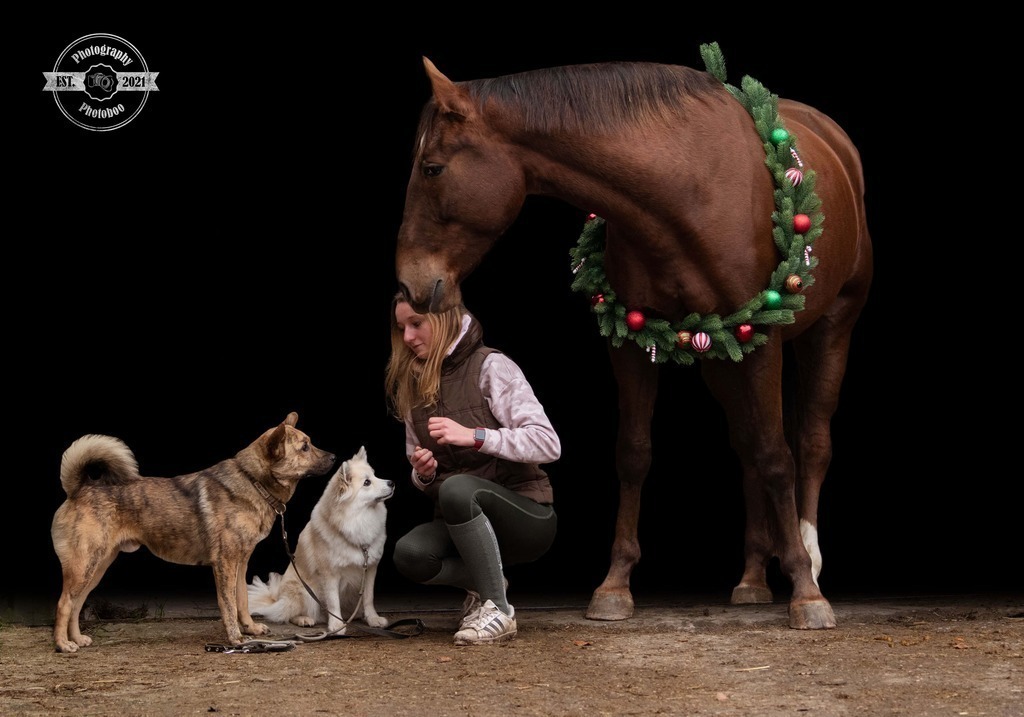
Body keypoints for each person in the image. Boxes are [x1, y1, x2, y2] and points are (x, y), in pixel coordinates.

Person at [385, 292, 559, 646]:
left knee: (458, 489)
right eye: (402, 327)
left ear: (445, 319)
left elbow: (547, 443)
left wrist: (476, 436)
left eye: (416, 324)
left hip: (526, 517)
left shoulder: (491, 366)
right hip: (461, 520)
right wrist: (423, 472)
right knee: (411, 555)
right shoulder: (413, 385)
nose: (407, 337)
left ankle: (499, 610)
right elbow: (417, 468)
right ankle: (487, 584)